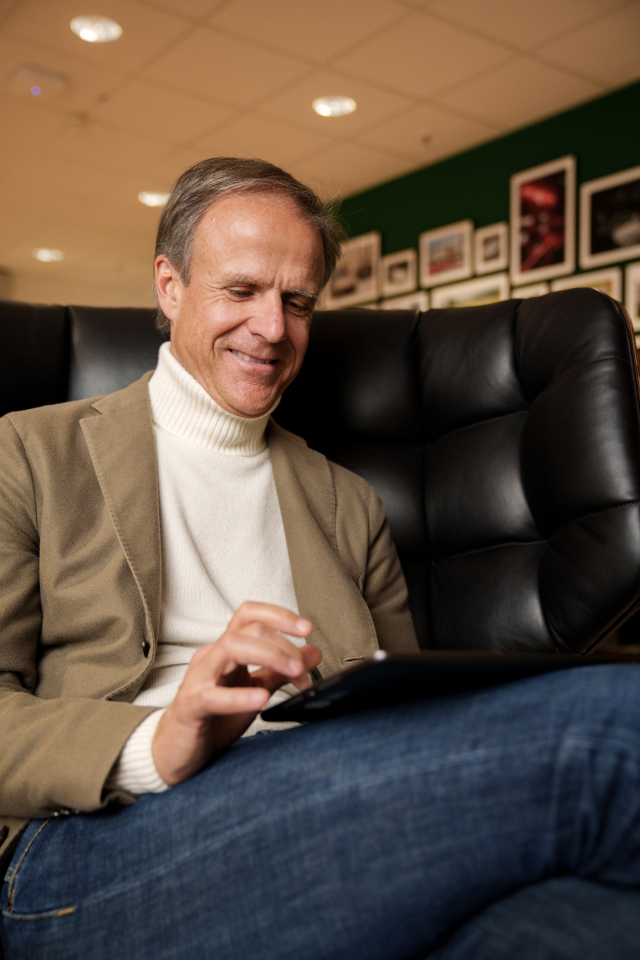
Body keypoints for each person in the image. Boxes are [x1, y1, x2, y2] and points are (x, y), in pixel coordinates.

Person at [0, 158, 639, 960]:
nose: (273, 329)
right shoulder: (27, 453)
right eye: (241, 291)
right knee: (615, 721)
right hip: (90, 851)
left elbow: (410, 727)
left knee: (582, 930)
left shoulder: (347, 502)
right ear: (169, 287)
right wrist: (160, 742)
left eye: (297, 301)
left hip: (331, 808)